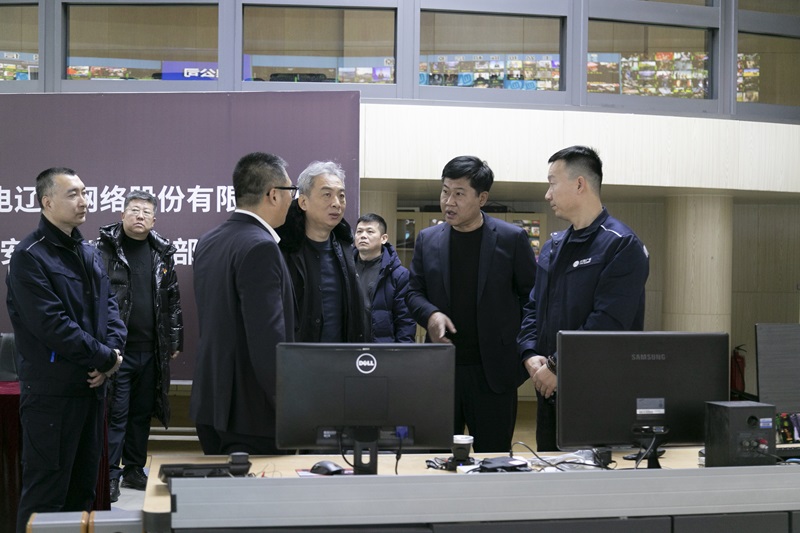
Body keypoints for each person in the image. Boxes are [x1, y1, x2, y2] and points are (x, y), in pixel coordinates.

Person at [6, 167, 125, 532]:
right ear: (47, 202)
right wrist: (104, 358)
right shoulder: (29, 256)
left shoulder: (88, 251)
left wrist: (112, 354)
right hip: (52, 397)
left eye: (84, 192)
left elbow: (110, 308)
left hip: (91, 392)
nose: (83, 201)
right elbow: (52, 325)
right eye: (73, 194)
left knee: (82, 494)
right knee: (46, 497)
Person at [517, 145, 650, 452]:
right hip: (549, 390)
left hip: (597, 395)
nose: (547, 195)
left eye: (552, 183)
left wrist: (557, 366)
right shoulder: (552, 246)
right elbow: (533, 307)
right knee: (550, 471)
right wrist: (529, 353)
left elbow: (608, 322)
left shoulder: (622, 245)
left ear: (580, 184)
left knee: (592, 477)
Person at [406, 156, 537, 453]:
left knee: (493, 459)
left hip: (493, 374)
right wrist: (431, 314)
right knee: (437, 458)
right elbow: (413, 292)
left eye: (459, 194)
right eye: (445, 191)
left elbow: (532, 299)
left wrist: (524, 351)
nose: (448, 201)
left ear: (482, 198)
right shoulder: (428, 239)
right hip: (442, 372)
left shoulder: (511, 238)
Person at [190, 152, 296, 455]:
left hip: (211, 405)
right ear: (273, 194)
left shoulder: (209, 240)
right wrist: (289, 407)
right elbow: (267, 339)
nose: (292, 199)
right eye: (291, 191)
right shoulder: (261, 246)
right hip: (252, 415)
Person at [96, 190, 183, 502]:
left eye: (146, 212)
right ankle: (110, 474)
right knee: (116, 413)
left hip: (151, 349)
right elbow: (93, 300)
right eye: (134, 210)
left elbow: (172, 299)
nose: (140, 216)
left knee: (142, 413)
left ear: (154, 220)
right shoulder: (103, 250)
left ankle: (134, 468)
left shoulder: (162, 251)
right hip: (119, 350)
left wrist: (174, 340)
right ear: (122, 215)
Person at [276, 161, 365, 343]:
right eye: (327, 195)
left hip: (341, 356)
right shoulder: (282, 250)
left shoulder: (347, 250)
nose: (336, 203)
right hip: (297, 356)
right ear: (303, 202)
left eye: (341, 196)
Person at [353, 213, 416, 343]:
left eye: (370, 231)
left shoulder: (399, 275)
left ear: (383, 238)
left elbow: (405, 320)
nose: (363, 235)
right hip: (349, 348)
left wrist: (402, 351)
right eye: (359, 231)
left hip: (383, 349)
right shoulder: (345, 269)